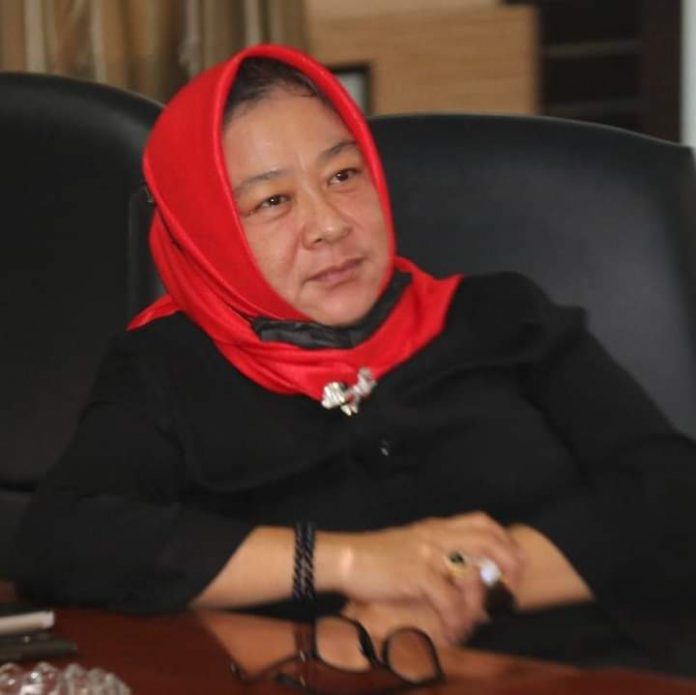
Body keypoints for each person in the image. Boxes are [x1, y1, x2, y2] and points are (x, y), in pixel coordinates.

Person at [12, 44, 696, 674]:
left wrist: (458, 588)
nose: (330, 224)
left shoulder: (501, 316)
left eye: (343, 174)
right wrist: (343, 561)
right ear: (205, 229)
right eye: (273, 201)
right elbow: (63, 542)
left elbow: (669, 490)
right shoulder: (166, 366)